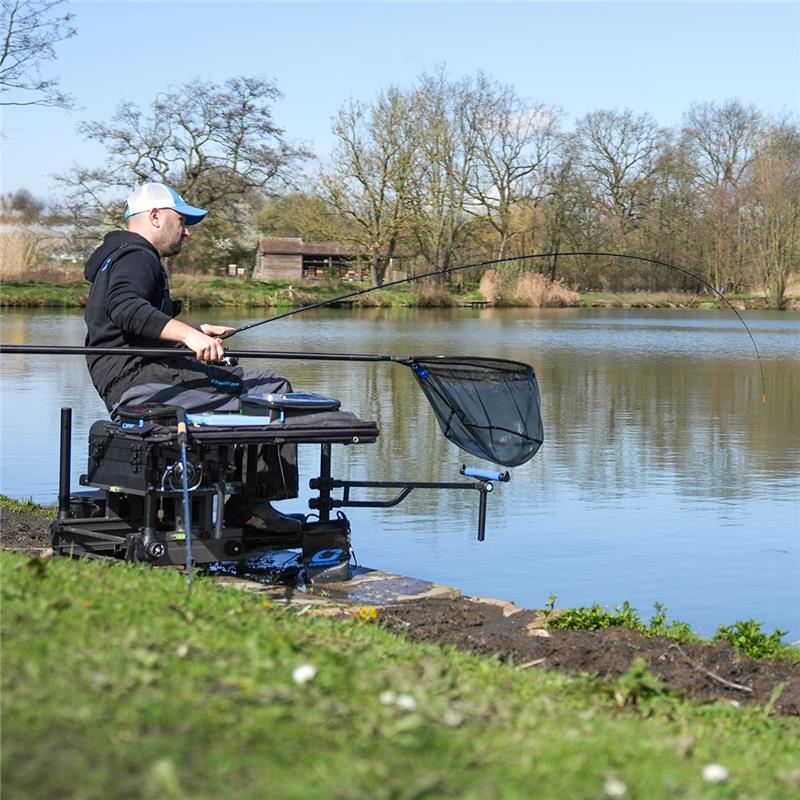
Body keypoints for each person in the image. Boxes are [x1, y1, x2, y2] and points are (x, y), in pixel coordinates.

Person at [83, 182, 301, 533]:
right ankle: (252, 507)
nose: (186, 232)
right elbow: (126, 308)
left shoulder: (116, 256)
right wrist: (189, 336)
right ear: (156, 216)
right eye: (181, 221)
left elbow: (132, 330)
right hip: (145, 384)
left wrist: (196, 331)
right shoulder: (138, 255)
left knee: (261, 386)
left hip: (136, 379)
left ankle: (232, 495)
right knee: (271, 389)